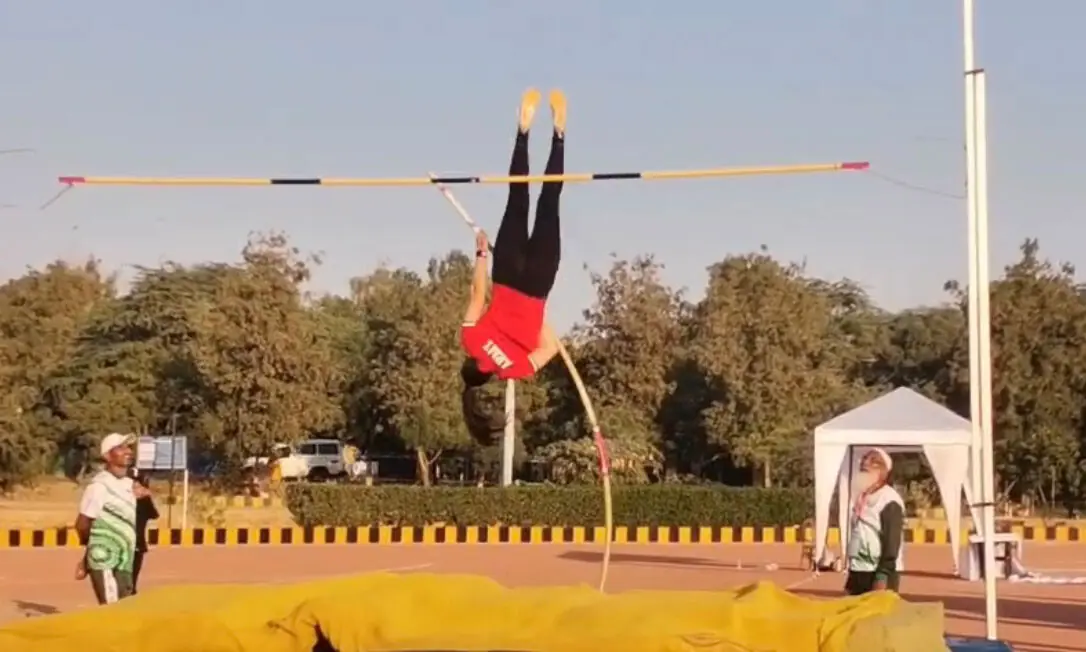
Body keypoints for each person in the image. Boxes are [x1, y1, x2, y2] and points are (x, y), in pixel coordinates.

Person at [459, 88, 566, 441]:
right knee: (517, 195)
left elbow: (550, 346)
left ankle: (559, 135)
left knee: (550, 202)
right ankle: (522, 132)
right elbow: (478, 294)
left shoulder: (515, 370)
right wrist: (481, 254)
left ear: (488, 376)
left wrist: (537, 316)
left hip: (535, 285)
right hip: (505, 272)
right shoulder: (470, 339)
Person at [74, 433, 147, 605]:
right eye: (120, 448)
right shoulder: (99, 486)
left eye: (128, 447)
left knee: (125, 608)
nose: (128, 452)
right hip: (104, 558)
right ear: (107, 455)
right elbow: (82, 524)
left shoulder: (129, 484)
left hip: (125, 558)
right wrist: (91, 552)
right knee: (111, 608)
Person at [844, 447, 905, 595]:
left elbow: (892, 542)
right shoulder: (861, 497)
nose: (866, 463)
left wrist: (882, 576)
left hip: (880, 574)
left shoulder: (889, 500)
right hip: (859, 570)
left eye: (873, 462)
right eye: (864, 462)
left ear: (883, 472)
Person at [131, 471, 159, 594]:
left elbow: (154, 515)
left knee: (134, 573)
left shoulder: (143, 502)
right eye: (133, 487)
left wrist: (147, 498)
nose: (135, 490)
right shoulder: (125, 502)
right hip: (125, 541)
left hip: (138, 542)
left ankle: (131, 590)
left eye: (138, 487)